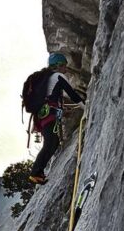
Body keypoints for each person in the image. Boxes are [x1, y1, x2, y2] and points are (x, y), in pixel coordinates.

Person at [28, 52, 86, 184]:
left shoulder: (47, 79)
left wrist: (63, 110)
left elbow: (51, 98)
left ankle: (39, 173)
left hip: (43, 116)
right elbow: (72, 94)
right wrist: (85, 107)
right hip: (49, 115)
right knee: (50, 142)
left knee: (53, 143)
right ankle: (35, 172)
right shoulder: (58, 76)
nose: (66, 69)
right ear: (58, 66)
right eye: (64, 66)